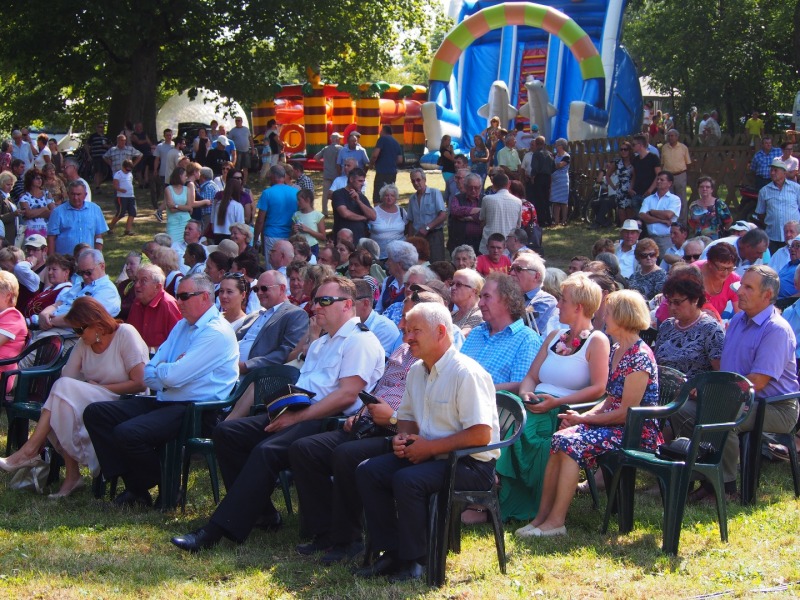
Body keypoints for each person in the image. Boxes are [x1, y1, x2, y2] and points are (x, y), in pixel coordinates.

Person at [170, 276, 384, 552]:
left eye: (325, 301)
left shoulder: (360, 340)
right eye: (315, 300)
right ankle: (263, 513)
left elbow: (347, 395)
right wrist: (287, 412)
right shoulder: (322, 343)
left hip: (328, 421)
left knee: (267, 450)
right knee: (228, 432)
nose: (316, 307)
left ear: (347, 305)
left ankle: (216, 530)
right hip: (299, 411)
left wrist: (296, 418)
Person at [287, 287, 439, 565]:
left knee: (346, 455)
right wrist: (360, 413)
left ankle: (348, 540)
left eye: (409, 323)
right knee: (305, 449)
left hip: (399, 432)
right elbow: (380, 388)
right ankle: (325, 532)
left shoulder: (434, 360)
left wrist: (391, 418)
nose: (401, 327)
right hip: (370, 423)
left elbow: (427, 415)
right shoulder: (403, 350)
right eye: (404, 321)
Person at [354, 302, 499, 581]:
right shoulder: (417, 371)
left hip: (470, 464)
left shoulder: (466, 373)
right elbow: (407, 419)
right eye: (406, 331)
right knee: (368, 471)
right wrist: (402, 438)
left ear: (441, 332)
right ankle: (391, 553)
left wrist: (429, 448)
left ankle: (417, 560)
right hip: (433, 455)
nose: (407, 338)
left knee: (408, 480)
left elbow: (481, 435)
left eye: (415, 331)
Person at [85, 274, 239, 507]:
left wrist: (167, 372)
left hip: (197, 411)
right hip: (166, 399)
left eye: (185, 296)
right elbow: (149, 373)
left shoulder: (216, 332)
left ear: (205, 297)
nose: (178, 302)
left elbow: (171, 375)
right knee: (96, 414)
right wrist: (169, 370)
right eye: (177, 296)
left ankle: (159, 486)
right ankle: (141, 486)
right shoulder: (182, 326)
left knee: (128, 433)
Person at [515, 290, 661, 537]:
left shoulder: (639, 357)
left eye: (609, 312)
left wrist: (584, 419)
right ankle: (542, 517)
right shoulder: (619, 349)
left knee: (570, 442)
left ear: (623, 316)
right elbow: (609, 401)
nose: (604, 316)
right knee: (560, 437)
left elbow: (626, 414)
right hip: (613, 425)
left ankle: (557, 522)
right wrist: (578, 417)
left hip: (636, 432)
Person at [0, 297, 148, 498]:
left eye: (80, 329)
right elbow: (65, 380)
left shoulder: (125, 334)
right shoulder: (84, 343)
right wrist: (87, 388)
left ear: (96, 323)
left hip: (125, 401)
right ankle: (67, 473)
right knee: (62, 400)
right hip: (95, 399)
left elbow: (140, 382)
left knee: (62, 391)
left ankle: (32, 451)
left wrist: (99, 387)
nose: (77, 334)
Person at [673, 266, 799, 501]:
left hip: (775, 407)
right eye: (741, 285)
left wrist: (713, 393)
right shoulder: (739, 319)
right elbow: (727, 369)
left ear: (767, 295)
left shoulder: (777, 330)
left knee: (722, 415)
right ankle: (698, 476)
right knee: (682, 410)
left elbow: (758, 382)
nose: (739, 291)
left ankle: (725, 488)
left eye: (748, 287)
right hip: (739, 398)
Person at [504, 273, 609, 520]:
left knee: (514, 423)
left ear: (579, 306)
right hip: (534, 402)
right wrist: (525, 394)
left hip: (563, 409)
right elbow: (531, 376)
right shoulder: (554, 337)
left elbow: (599, 388)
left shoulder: (597, 341)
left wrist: (557, 402)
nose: (558, 304)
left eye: (563, 300)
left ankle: (508, 495)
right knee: (504, 407)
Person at [654, 273, 724, 380]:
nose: (672, 307)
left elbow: (720, 373)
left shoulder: (711, 329)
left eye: (677, 302)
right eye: (669, 302)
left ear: (695, 299)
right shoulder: (667, 325)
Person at [126, 264, 182, 350]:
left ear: (157, 287)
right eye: (136, 280)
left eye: (143, 281)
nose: (136, 285)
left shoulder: (168, 304)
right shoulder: (137, 302)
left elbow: (178, 342)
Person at [754, 158, 800, 256]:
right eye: (771, 170)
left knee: (795, 260)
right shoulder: (764, 191)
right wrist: (772, 222)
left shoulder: (796, 188)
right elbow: (760, 213)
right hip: (773, 236)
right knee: (774, 261)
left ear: (784, 172)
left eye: (776, 170)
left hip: (794, 236)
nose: (772, 173)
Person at [254, 165, 298, 266]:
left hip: (272, 234)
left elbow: (260, 220)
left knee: (272, 266)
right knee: (287, 266)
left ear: (273, 176)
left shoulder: (267, 193)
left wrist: (256, 238)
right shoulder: (295, 193)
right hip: (290, 234)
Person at [510, 252, 560, 336]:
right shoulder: (509, 298)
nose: (512, 273)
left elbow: (524, 333)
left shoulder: (545, 301)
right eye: (511, 269)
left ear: (536, 276)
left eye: (518, 269)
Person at [405, 168, 446, 262]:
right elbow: (411, 221)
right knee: (420, 264)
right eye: (413, 181)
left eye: (418, 180)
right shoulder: (412, 199)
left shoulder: (435, 193)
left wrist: (427, 228)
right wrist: (410, 240)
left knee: (436, 263)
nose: (416, 183)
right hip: (419, 237)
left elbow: (443, 215)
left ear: (424, 179)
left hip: (434, 235)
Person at [638, 172, 681, 256]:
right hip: (650, 238)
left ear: (669, 183)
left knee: (666, 261)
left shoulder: (674, 199)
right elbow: (642, 216)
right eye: (657, 179)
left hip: (666, 238)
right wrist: (662, 221)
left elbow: (668, 215)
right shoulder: (648, 199)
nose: (658, 181)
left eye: (662, 180)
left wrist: (651, 212)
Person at [479, 172, 522, 255]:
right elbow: (518, 225)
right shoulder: (518, 201)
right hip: (508, 246)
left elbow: (482, 220)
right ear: (509, 184)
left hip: (489, 245)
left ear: (493, 185)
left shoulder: (487, 199)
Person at [695, 241, 741, 316]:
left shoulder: (734, 280)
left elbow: (740, 313)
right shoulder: (693, 273)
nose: (726, 273)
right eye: (721, 268)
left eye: (730, 268)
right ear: (710, 263)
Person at [368, 184, 407, 259]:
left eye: (392, 196)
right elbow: (367, 230)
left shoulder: (401, 211)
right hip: (378, 255)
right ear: (382, 197)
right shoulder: (374, 212)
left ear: (396, 198)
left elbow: (407, 227)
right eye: (386, 195)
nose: (389, 198)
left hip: (399, 254)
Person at [370, 125, 403, 203]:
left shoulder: (382, 139)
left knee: (378, 195)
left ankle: (378, 209)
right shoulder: (396, 142)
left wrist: (371, 164)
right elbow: (400, 160)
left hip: (382, 171)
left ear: (383, 131)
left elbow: (375, 155)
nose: (380, 133)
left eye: (381, 131)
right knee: (390, 193)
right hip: (392, 172)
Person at [660, 129, 692, 211]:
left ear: (677, 137)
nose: (670, 138)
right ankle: (670, 217)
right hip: (668, 177)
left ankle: (682, 218)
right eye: (669, 136)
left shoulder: (683, 148)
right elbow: (662, 163)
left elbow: (688, 163)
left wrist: (683, 174)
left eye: (672, 136)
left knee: (681, 199)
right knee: (669, 198)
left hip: (680, 175)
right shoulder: (664, 148)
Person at [164, 166, 195, 243]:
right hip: (173, 222)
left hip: (185, 222)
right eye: (185, 175)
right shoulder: (168, 189)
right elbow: (171, 209)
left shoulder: (187, 189)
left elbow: (189, 207)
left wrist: (176, 205)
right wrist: (184, 208)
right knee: (172, 244)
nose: (186, 178)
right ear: (179, 176)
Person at [314, 133, 342, 216]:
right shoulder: (340, 149)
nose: (340, 140)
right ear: (337, 139)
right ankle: (337, 210)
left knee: (325, 194)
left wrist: (323, 163)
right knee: (337, 194)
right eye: (339, 139)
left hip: (327, 174)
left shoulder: (326, 148)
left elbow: (316, 157)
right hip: (336, 175)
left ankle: (324, 211)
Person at [450, 268, 484, 335]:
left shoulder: (479, 315)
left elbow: (460, 337)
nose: (453, 287)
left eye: (459, 284)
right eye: (452, 283)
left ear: (474, 291)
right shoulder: (453, 314)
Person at [107, 160, 137, 236]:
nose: (128, 171)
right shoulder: (118, 174)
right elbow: (115, 185)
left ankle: (128, 230)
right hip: (122, 197)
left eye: (130, 169)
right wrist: (120, 189)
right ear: (123, 167)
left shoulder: (130, 174)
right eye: (127, 169)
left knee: (132, 213)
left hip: (131, 196)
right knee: (121, 213)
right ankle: (110, 227)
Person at [550, 138, 570, 226]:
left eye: (557, 145)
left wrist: (551, 163)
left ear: (561, 146)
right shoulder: (555, 156)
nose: (555, 146)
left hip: (563, 181)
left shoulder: (566, 156)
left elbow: (560, 165)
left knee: (563, 202)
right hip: (554, 181)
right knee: (555, 201)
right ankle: (556, 220)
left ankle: (564, 220)